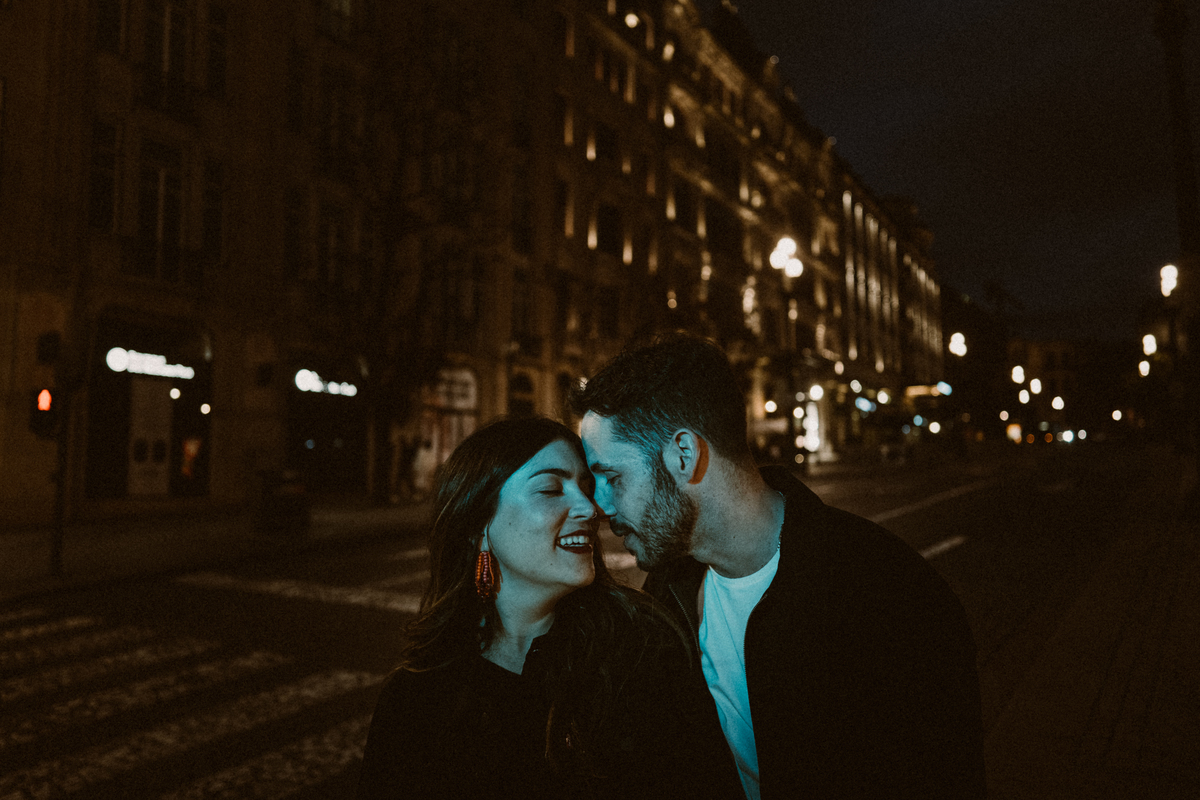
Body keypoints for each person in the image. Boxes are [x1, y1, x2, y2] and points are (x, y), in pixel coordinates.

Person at [570, 332, 987, 799]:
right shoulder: (668, 594)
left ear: (684, 455)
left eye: (612, 477)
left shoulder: (887, 594)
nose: (599, 505)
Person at [357, 417, 741, 799]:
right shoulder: (417, 696)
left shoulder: (643, 654)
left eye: (586, 488)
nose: (589, 509)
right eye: (550, 489)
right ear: (478, 525)